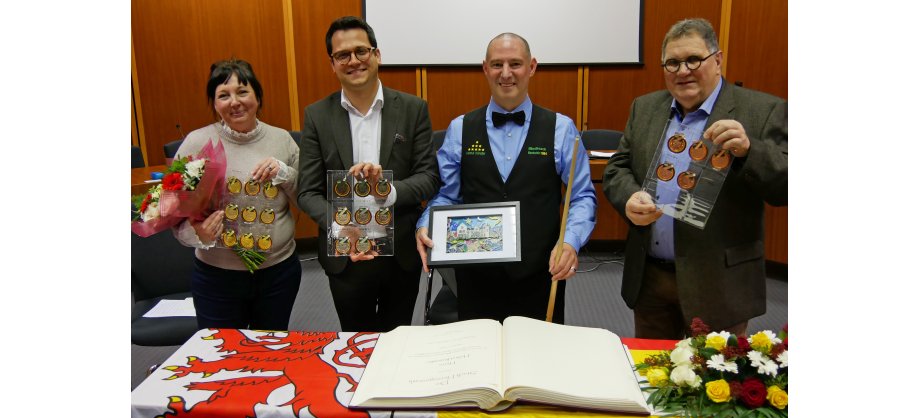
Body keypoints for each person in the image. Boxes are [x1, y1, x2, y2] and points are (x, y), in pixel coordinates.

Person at [602, 18, 787, 340]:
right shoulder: (644, 108)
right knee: (650, 378)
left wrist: (749, 150)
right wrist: (629, 197)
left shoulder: (763, 110)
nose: (682, 70)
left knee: (707, 382)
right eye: (672, 63)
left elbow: (785, 187)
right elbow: (618, 167)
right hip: (651, 280)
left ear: (717, 60)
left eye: (693, 59)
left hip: (720, 283)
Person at [415, 33, 596, 324]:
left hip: (540, 274)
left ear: (532, 67)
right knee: (478, 361)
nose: (506, 73)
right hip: (476, 278)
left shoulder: (561, 129)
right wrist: (426, 224)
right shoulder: (460, 128)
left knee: (536, 360)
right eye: (497, 64)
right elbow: (448, 195)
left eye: (516, 64)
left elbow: (582, 196)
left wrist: (571, 242)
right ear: (485, 68)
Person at [297, 16, 440, 332]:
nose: (354, 61)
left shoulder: (413, 108)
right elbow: (307, 191)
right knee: (354, 343)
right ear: (332, 63)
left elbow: (429, 176)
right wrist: (339, 228)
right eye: (342, 55)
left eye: (361, 51)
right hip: (346, 254)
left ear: (376, 54)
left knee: (397, 339)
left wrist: (386, 190)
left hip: (400, 252)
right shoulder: (317, 116)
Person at [173, 58, 302, 331]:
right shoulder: (197, 143)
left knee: (270, 351)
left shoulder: (282, 140)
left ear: (257, 95)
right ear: (214, 103)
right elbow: (172, 214)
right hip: (217, 278)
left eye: (242, 91)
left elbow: (306, 197)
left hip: (278, 273)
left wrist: (284, 173)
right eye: (223, 95)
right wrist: (198, 234)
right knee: (222, 356)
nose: (235, 101)